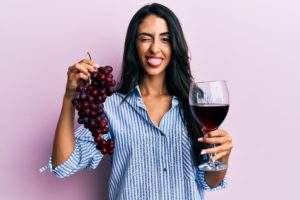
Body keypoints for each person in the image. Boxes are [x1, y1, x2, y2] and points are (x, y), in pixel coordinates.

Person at [40, 3, 233, 200]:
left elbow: (209, 181)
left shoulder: (196, 105)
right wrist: (69, 96)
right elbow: (63, 165)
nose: (155, 48)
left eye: (165, 39)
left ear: (175, 46)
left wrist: (222, 157)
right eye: (145, 39)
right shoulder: (110, 107)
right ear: (134, 44)